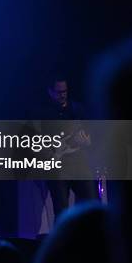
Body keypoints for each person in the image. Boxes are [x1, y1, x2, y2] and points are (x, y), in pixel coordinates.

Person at [39, 75, 98, 220]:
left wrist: (87, 141)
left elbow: (91, 135)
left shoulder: (78, 109)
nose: (62, 95)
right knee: (62, 212)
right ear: (50, 92)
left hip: (80, 165)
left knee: (93, 205)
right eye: (58, 92)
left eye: (65, 91)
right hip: (57, 169)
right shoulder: (43, 114)